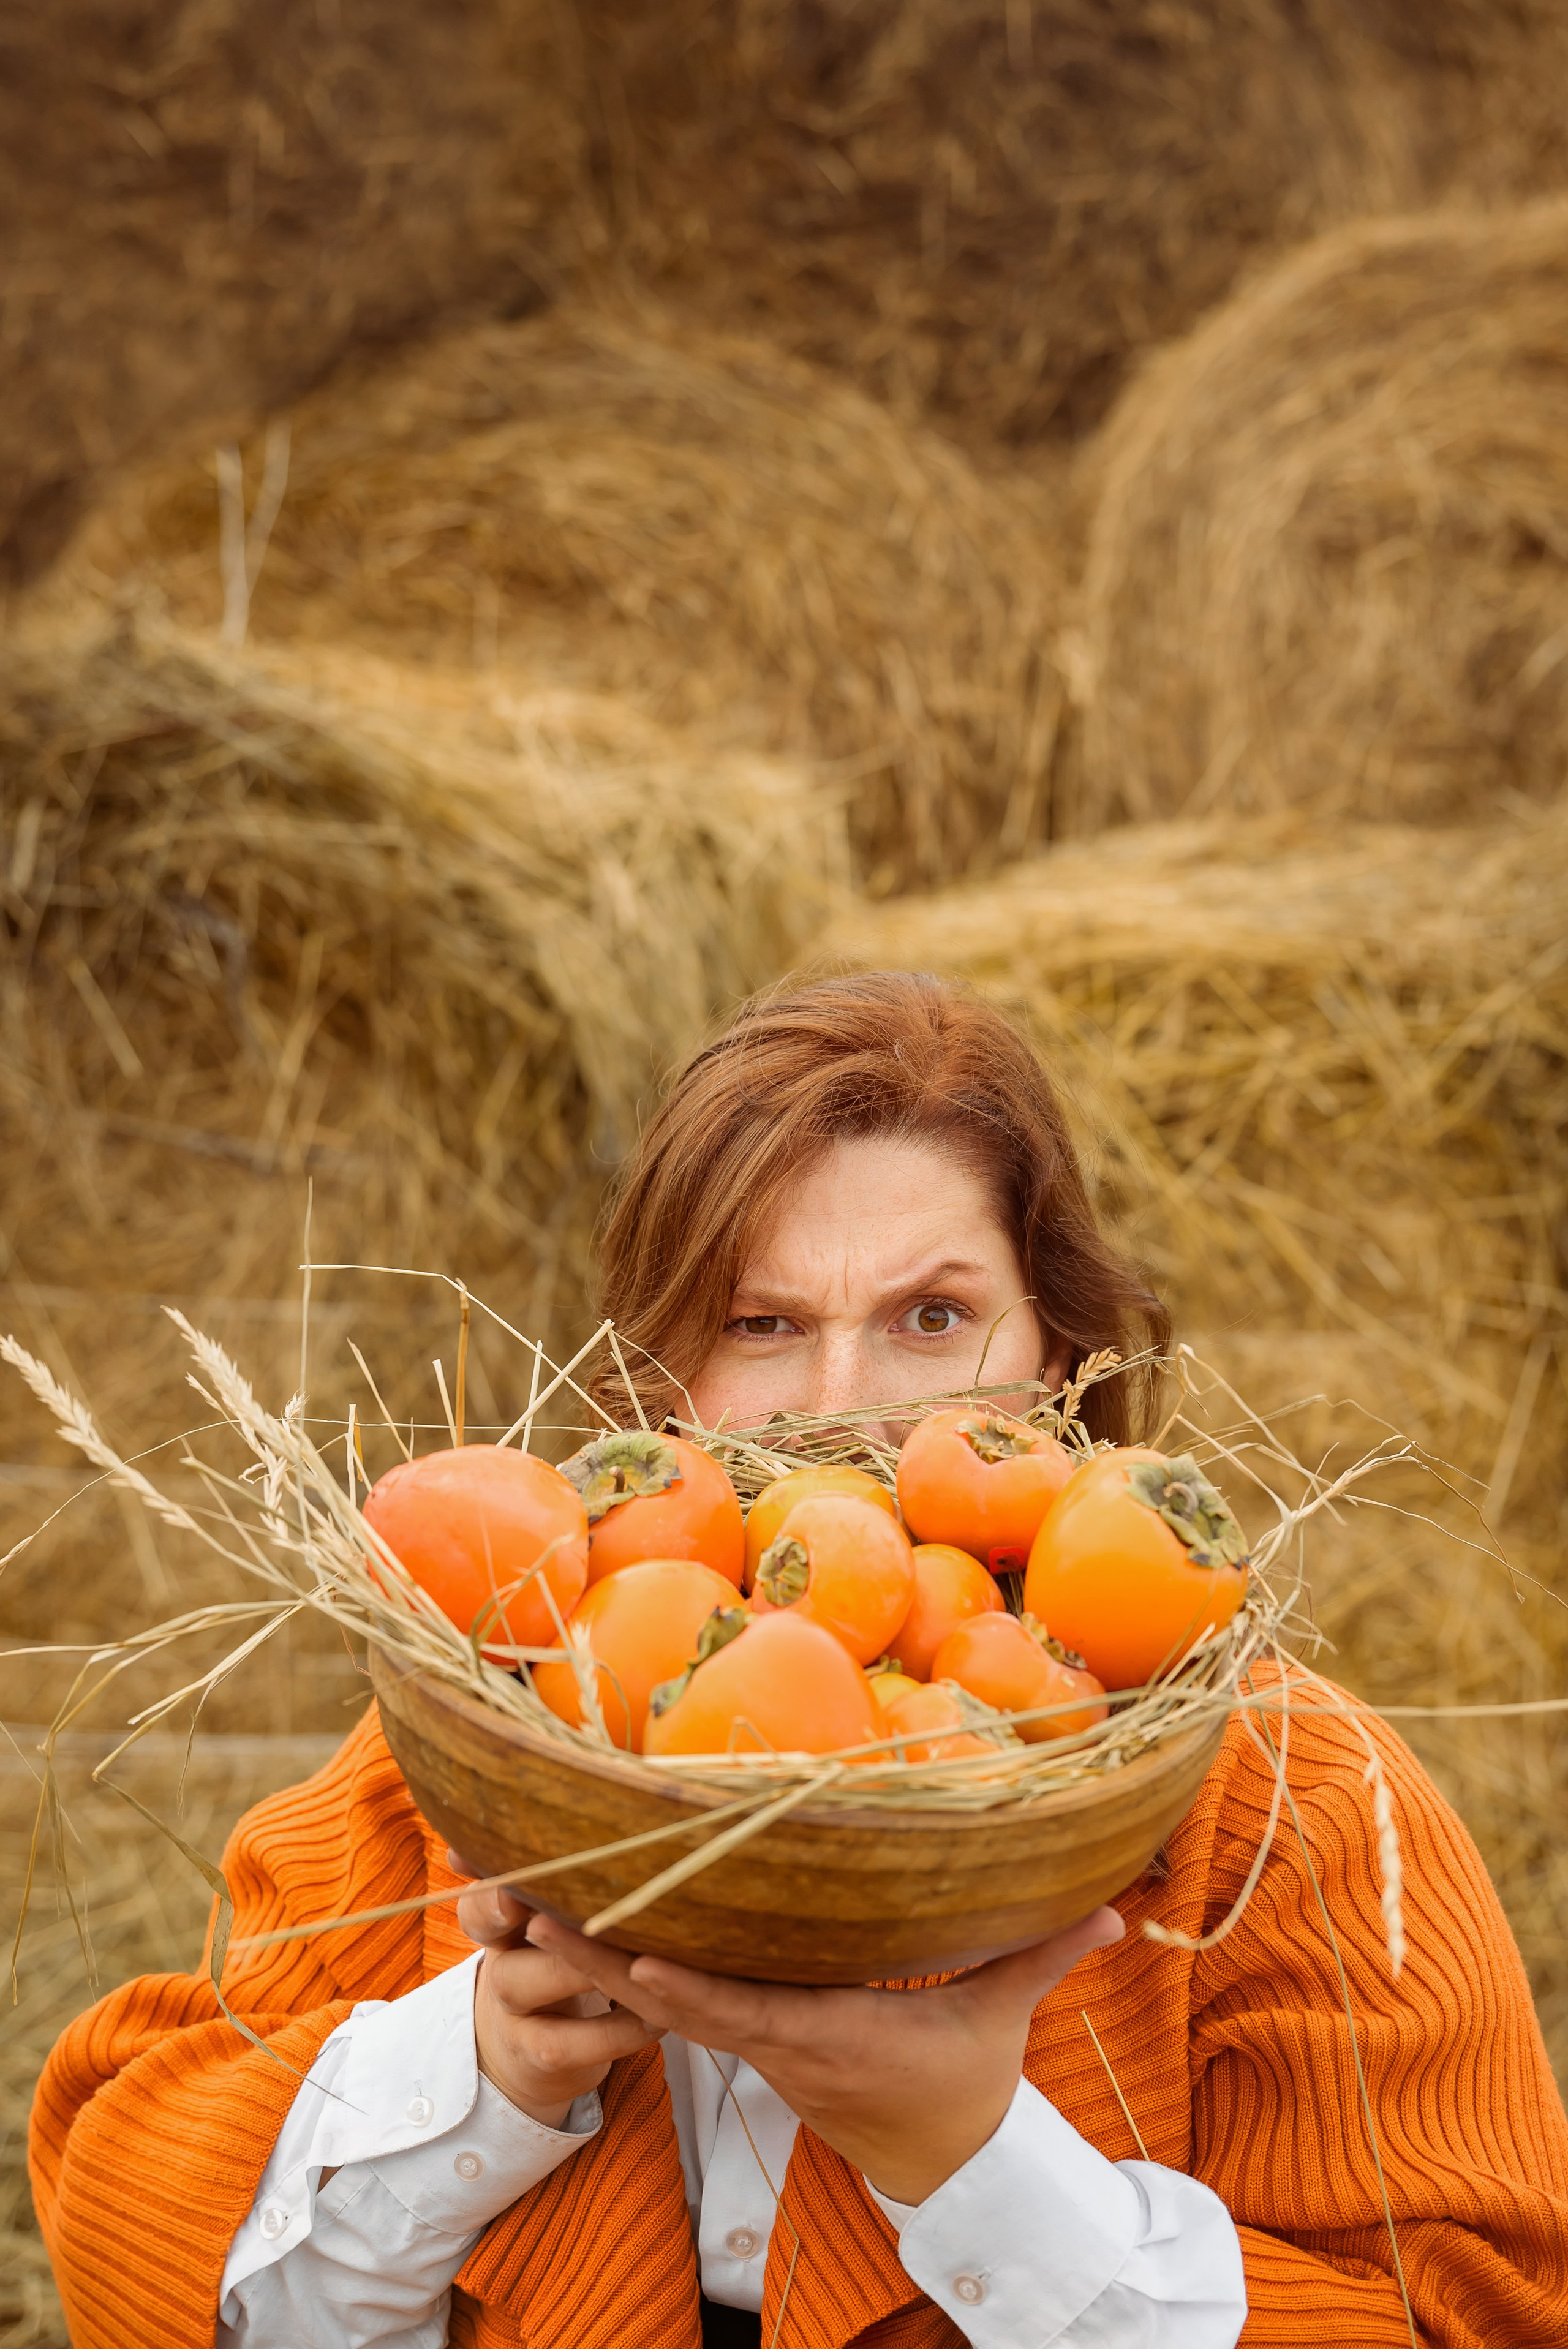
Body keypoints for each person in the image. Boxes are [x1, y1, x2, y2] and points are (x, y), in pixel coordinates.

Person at [29, 973, 1568, 2349]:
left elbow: (1486, 2316)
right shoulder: (483, 1756)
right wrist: (492, 2064)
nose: (841, 1406)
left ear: (1057, 1356)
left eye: (931, 1315)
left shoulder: (1291, 1807)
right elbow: (140, 2261)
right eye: (761, 1320)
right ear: (658, 1385)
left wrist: (969, 2157)